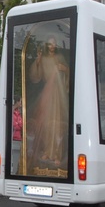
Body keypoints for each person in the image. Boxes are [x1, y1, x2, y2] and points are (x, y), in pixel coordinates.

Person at [27, 34, 70, 170]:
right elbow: (36, 77)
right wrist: (38, 61)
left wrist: (65, 70)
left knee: (57, 123)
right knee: (45, 122)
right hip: (48, 92)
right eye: (50, 44)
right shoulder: (43, 59)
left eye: (54, 44)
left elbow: (69, 72)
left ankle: (57, 154)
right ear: (46, 45)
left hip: (59, 93)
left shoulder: (60, 58)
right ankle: (47, 151)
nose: (52, 46)